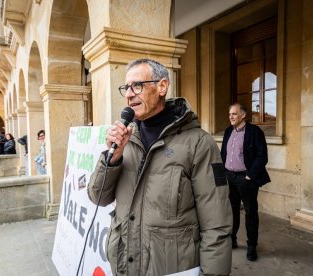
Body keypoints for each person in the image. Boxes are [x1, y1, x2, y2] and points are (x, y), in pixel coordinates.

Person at [88, 59, 232, 276]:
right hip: (124, 265)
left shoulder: (199, 143)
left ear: (162, 86)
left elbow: (216, 223)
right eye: (126, 88)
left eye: (137, 85)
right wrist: (112, 159)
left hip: (171, 268)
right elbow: (97, 195)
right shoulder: (125, 139)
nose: (129, 94)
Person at [220, 103, 271, 262]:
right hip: (230, 177)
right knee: (232, 210)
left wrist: (249, 176)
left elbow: (262, 156)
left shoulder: (255, 132)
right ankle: (232, 239)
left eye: (234, 114)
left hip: (246, 179)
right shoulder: (228, 131)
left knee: (250, 213)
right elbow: (223, 154)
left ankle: (251, 246)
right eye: (230, 114)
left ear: (243, 115)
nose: (231, 117)